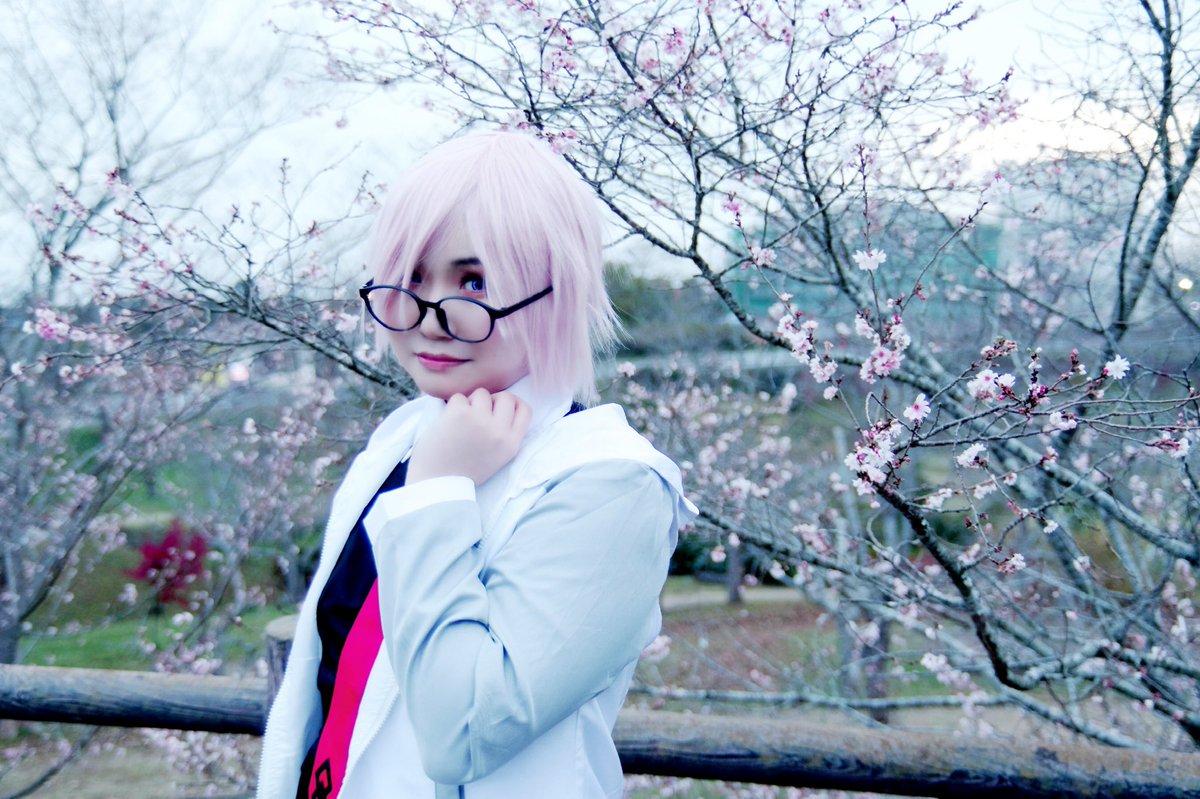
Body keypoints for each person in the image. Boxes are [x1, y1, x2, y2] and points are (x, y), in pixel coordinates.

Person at [257, 130, 696, 799]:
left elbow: (461, 732)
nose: (429, 317)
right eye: (410, 276)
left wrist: (438, 490)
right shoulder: (405, 438)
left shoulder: (610, 482)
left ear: (557, 292)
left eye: (474, 281)